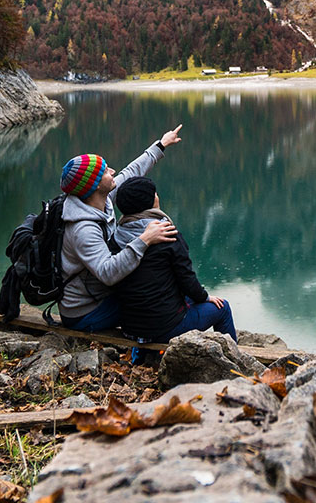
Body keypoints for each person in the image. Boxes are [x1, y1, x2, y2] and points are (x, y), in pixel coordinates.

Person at [55, 126, 184, 331]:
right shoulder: (82, 230)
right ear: (96, 185)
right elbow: (107, 272)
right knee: (158, 301)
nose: (113, 171)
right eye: (106, 171)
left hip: (100, 294)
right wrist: (145, 239)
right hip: (85, 311)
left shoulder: (100, 199)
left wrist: (161, 145)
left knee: (161, 291)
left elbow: (131, 172)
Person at [111, 176, 236, 349]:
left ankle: (141, 355)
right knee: (222, 308)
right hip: (164, 329)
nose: (157, 196)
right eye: (154, 193)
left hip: (130, 328)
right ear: (150, 202)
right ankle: (233, 358)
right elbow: (187, 279)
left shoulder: (117, 235)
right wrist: (206, 298)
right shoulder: (167, 234)